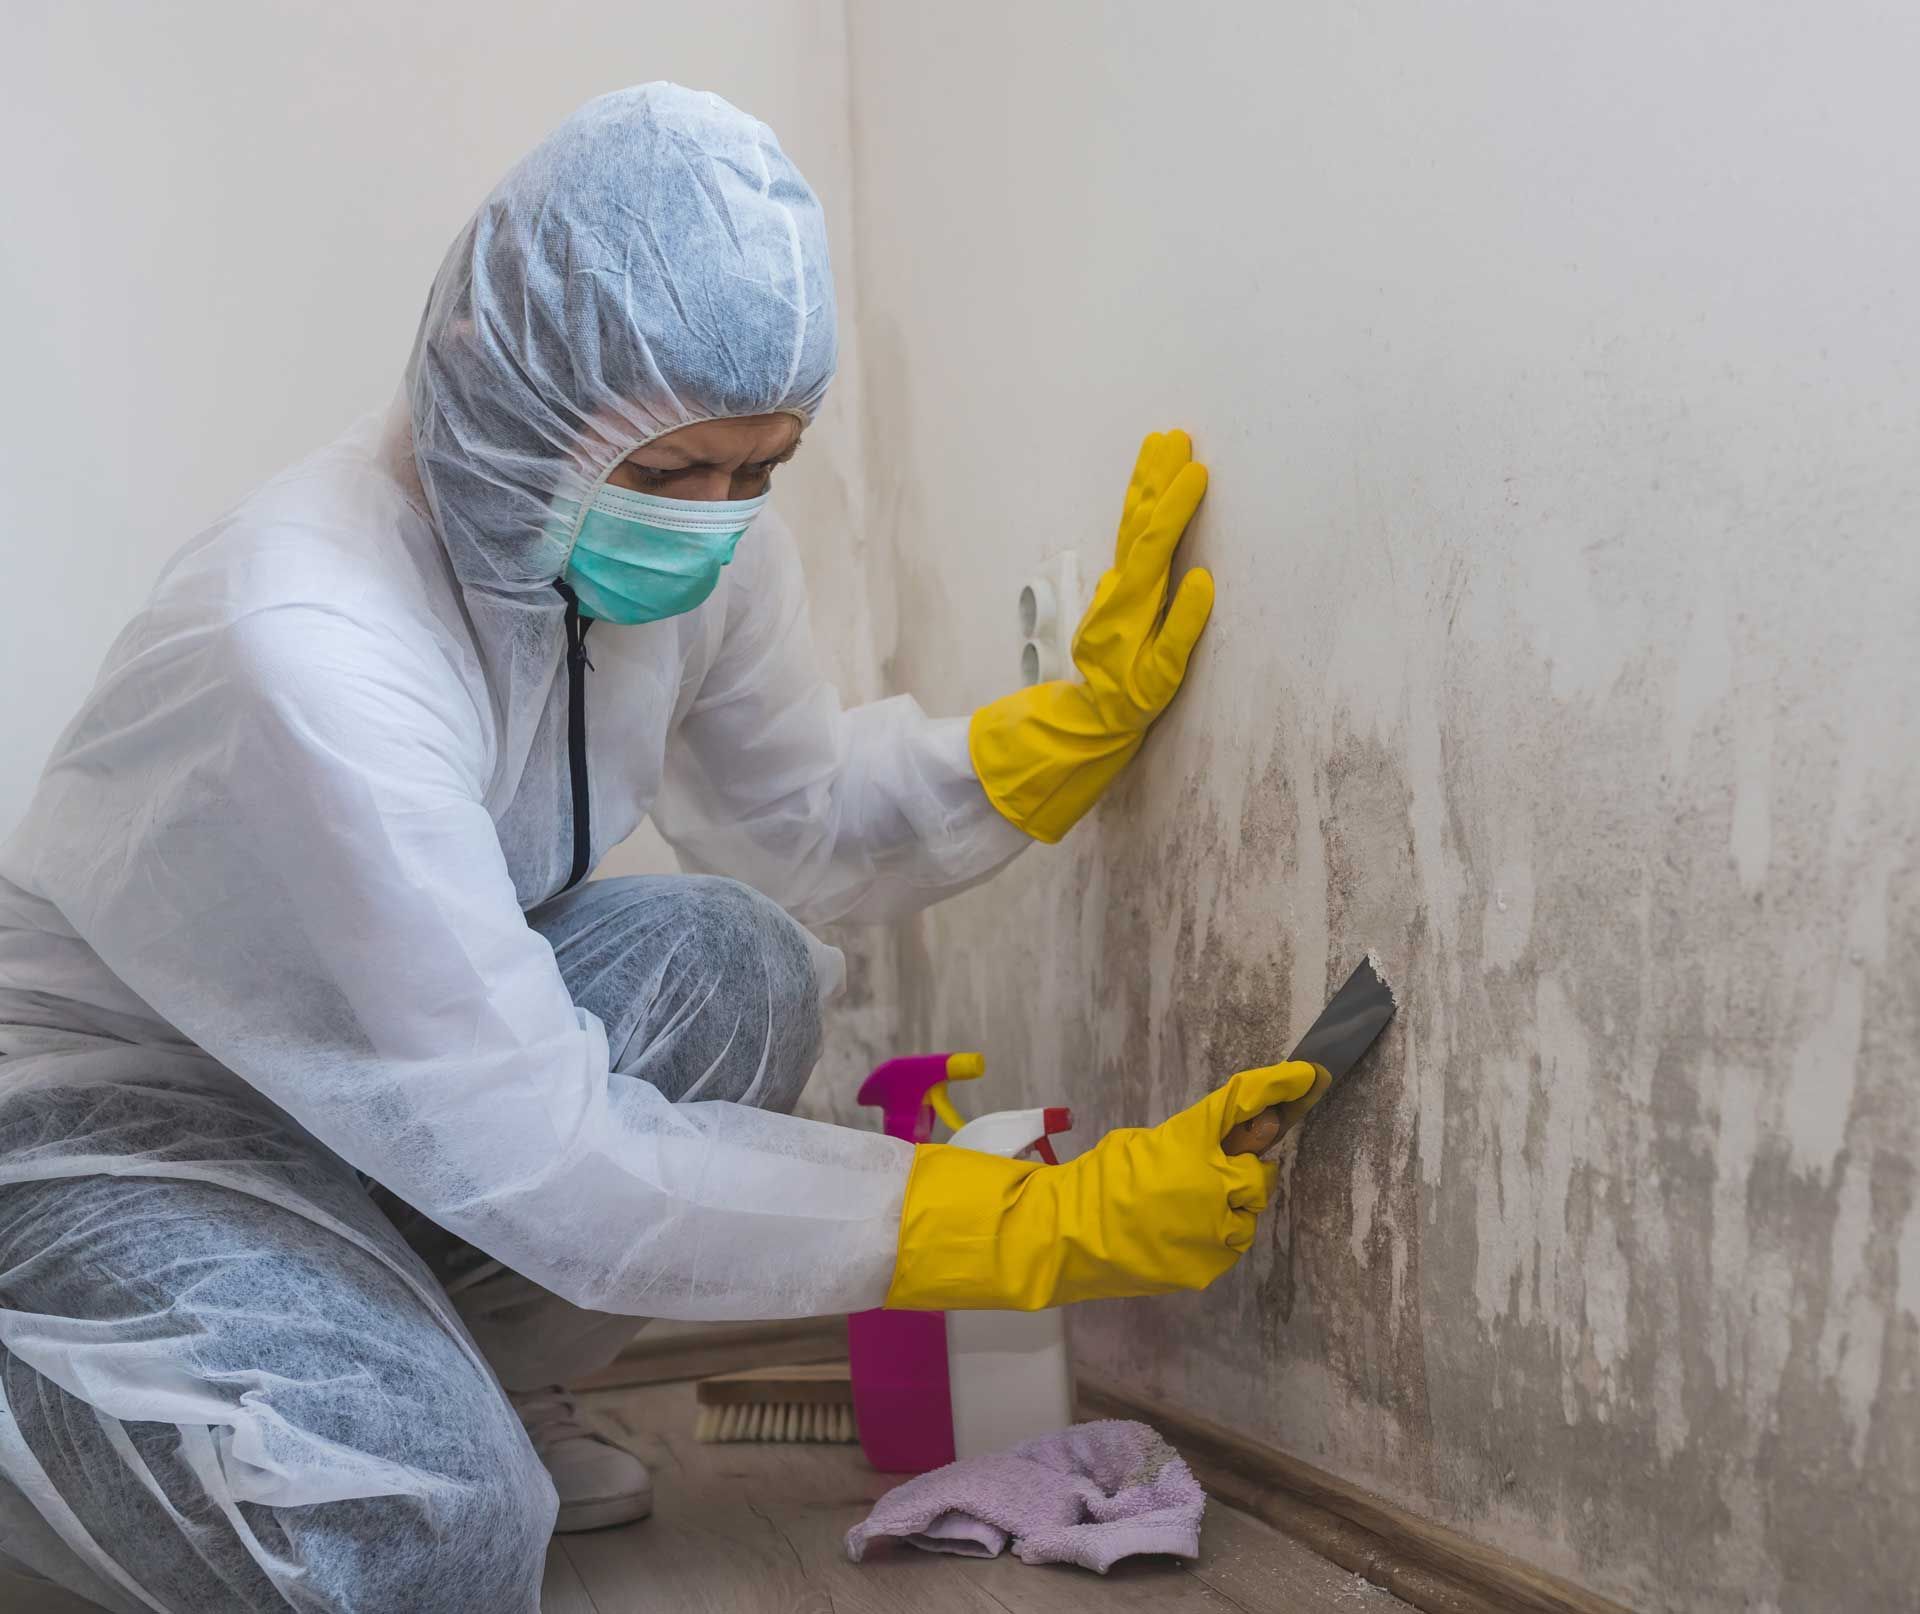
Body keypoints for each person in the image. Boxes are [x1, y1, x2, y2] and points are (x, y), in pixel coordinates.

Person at [0, 84, 1321, 1613]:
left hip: (376, 1103)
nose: (717, 520)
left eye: (759, 468)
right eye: (675, 473)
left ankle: (444, 1377)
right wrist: (1028, 1218)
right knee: (430, 1531)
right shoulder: (312, 639)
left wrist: (1060, 736)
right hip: (128, 1121)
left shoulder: (689, 548)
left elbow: (804, 814)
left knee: (733, 963)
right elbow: (546, 1157)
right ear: (508, 393)